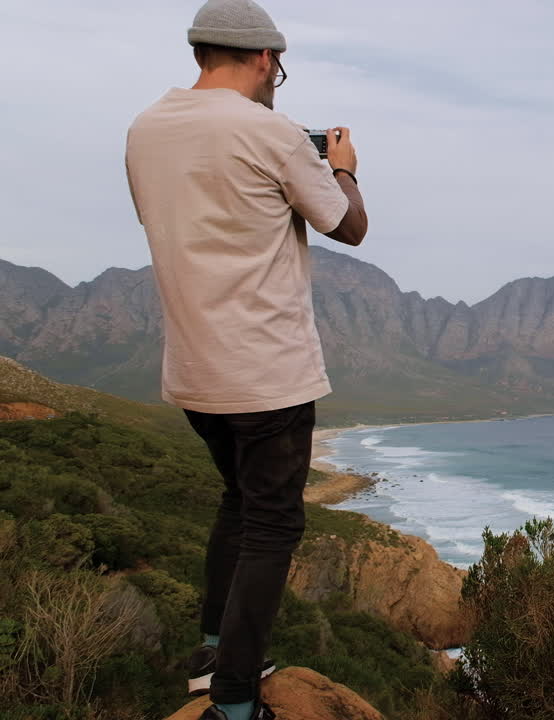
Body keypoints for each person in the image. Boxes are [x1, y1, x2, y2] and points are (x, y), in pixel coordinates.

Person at [125, 1, 368, 718]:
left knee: (238, 503)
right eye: (277, 69)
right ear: (266, 58)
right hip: (268, 374)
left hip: (194, 372)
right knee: (273, 525)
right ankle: (235, 702)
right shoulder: (270, 132)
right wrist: (342, 168)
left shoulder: (145, 128)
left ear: (201, 53)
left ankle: (212, 654)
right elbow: (349, 225)